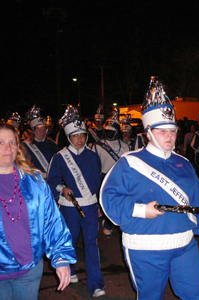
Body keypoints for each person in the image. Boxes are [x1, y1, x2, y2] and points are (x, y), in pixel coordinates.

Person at [100, 77, 199, 300]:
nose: (170, 137)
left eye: (173, 131)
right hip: (146, 248)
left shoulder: (184, 163)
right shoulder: (129, 162)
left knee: (197, 294)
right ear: (148, 132)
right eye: (163, 131)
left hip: (185, 244)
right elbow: (108, 198)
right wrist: (141, 210)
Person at [0, 123, 76, 299]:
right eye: (1, 142)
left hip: (29, 271)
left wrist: (61, 258)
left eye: (12, 142)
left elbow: (52, 221)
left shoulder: (34, 181)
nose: (7, 148)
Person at [47, 106, 106, 297]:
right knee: (70, 241)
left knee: (91, 244)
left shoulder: (92, 156)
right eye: (75, 136)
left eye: (82, 135)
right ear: (69, 137)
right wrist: (62, 189)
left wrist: (99, 206)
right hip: (69, 207)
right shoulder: (60, 157)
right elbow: (52, 181)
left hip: (89, 206)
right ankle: (70, 271)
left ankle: (96, 284)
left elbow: (98, 182)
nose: (79, 139)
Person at [92, 108, 130, 235]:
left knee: (119, 202)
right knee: (107, 202)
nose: (109, 133)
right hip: (104, 178)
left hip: (119, 178)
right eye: (107, 131)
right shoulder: (97, 146)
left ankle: (111, 222)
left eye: (112, 132)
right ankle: (107, 223)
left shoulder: (125, 146)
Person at [22, 105, 58, 180]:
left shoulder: (52, 144)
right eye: (39, 130)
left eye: (44, 129)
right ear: (34, 131)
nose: (42, 132)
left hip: (52, 180)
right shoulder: (25, 145)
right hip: (35, 180)